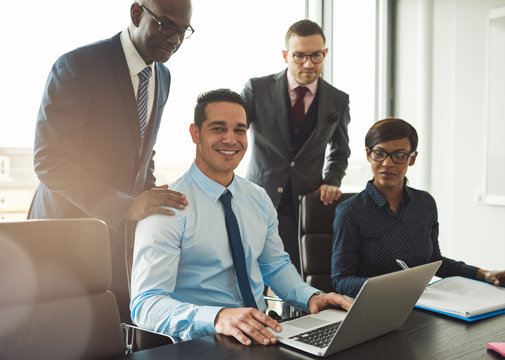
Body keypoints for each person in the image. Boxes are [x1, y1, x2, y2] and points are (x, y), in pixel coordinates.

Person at [130, 89, 352, 345]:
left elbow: (275, 266)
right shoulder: (168, 208)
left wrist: (311, 296)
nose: (230, 139)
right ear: (195, 133)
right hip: (202, 343)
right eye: (218, 128)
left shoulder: (257, 198)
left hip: (262, 337)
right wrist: (217, 317)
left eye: (239, 130)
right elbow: (146, 305)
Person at [27, 0, 193, 322]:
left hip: (118, 236)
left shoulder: (164, 75)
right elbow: (50, 160)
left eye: (183, 31)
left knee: (114, 330)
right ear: (136, 14)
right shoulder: (79, 66)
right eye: (166, 26)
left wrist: (151, 203)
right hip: (65, 231)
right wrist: (124, 206)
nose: (175, 39)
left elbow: (143, 151)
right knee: (62, 334)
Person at [331, 118, 505, 298]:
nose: (387, 163)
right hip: (372, 307)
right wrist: (392, 286)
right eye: (379, 153)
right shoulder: (350, 211)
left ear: (412, 158)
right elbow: (341, 280)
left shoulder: (425, 203)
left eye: (399, 155)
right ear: (368, 154)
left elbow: (434, 261)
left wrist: (483, 273)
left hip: (421, 305)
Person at [242, 19, 351, 271]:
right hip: (258, 197)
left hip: (303, 204)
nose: (308, 64)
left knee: (295, 275)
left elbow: (341, 150)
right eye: (300, 56)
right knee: (249, 275)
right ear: (285, 55)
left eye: (315, 56)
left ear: (325, 54)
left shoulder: (338, 99)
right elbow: (236, 133)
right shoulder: (257, 89)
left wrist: (331, 181)